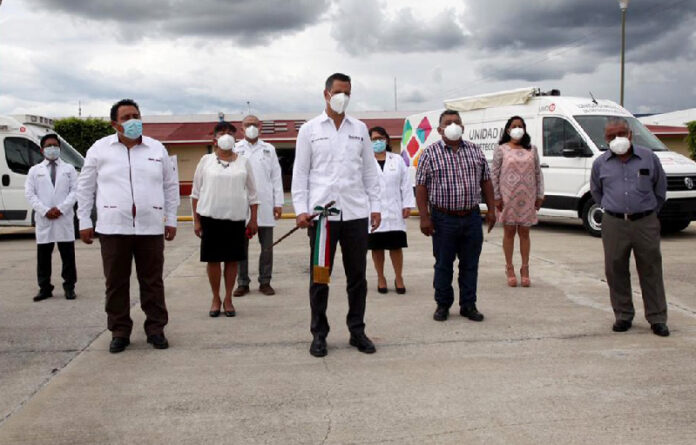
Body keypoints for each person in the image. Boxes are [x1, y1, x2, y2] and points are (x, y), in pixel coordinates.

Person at [77, 98, 180, 353]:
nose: (133, 121)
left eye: (136, 115)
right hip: (113, 228)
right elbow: (85, 187)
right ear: (115, 124)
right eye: (126, 117)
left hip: (150, 227)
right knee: (116, 282)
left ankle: (156, 329)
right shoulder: (99, 149)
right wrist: (84, 221)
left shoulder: (157, 149)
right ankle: (120, 330)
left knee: (153, 281)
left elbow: (170, 186)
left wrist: (172, 218)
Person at [292, 72, 382, 357]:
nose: (344, 97)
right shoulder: (310, 130)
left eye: (348, 92)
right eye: (339, 91)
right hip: (322, 218)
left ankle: (357, 330)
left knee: (358, 278)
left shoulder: (360, 129)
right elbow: (301, 173)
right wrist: (300, 209)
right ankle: (319, 333)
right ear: (326, 94)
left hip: (355, 214)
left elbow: (369, 171)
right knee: (320, 278)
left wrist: (376, 206)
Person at [590, 116, 669, 337]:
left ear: (630, 135)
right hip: (614, 222)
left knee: (651, 269)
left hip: (645, 222)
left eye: (620, 134)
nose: (617, 139)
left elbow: (660, 190)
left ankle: (657, 318)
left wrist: (650, 214)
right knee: (615, 269)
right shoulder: (600, 163)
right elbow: (597, 192)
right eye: (611, 136)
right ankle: (623, 315)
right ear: (605, 139)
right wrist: (613, 208)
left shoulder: (649, 158)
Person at [415, 109, 496, 322]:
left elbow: (486, 181)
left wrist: (492, 210)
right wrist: (424, 217)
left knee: (470, 264)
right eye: (448, 122)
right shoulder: (429, 153)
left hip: (471, 217)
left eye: (457, 122)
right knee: (443, 264)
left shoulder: (475, 151)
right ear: (440, 128)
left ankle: (469, 305)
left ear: (463, 127)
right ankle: (443, 305)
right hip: (443, 219)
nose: (453, 125)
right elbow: (421, 186)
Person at [191, 122, 259, 317]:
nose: (226, 135)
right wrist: (196, 220)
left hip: (236, 219)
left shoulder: (243, 162)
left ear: (236, 139)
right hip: (210, 219)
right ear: (215, 139)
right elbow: (195, 193)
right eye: (222, 132)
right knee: (212, 261)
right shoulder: (206, 161)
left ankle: (228, 298)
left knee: (232, 261)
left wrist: (253, 219)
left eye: (230, 132)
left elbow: (253, 194)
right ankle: (215, 298)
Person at [232, 115, 283, 297]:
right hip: (241, 206)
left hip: (265, 206)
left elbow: (276, 177)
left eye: (254, 124)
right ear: (241, 128)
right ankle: (242, 283)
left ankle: (265, 282)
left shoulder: (268, 149)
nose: (251, 127)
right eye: (248, 125)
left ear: (260, 127)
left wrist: (278, 203)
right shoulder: (235, 148)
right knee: (241, 248)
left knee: (267, 247)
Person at [491, 116, 544, 287]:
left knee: (525, 233)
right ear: (508, 130)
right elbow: (494, 174)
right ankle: (509, 267)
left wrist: (540, 195)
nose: (517, 128)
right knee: (509, 233)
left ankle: (525, 268)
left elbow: (537, 173)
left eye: (520, 126)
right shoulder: (501, 149)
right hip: (508, 197)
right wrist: (496, 196)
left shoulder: (532, 149)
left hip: (527, 197)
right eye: (514, 126)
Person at [24, 134, 78, 301]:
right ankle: (45, 288)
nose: (52, 148)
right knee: (43, 257)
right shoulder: (35, 170)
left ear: (59, 148)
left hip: (64, 218)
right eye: (49, 145)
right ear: (42, 149)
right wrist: (45, 210)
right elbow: (30, 194)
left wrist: (61, 209)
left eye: (55, 145)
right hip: (45, 219)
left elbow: (75, 192)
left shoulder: (69, 169)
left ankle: (69, 287)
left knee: (68, 256)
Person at [368, 126, 415, 294]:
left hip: (395, 210)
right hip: (373, 211)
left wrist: (407, 204)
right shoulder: (365, 161)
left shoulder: (397, 160)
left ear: (387, 140)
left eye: (380, 138)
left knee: (396, 246)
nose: (377, 142)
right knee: (377, 247)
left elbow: (406, 184)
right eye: (373, 139)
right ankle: (381, 278)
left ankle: (399, 277)